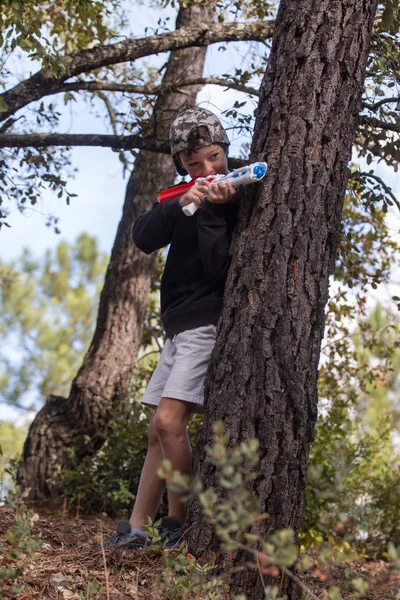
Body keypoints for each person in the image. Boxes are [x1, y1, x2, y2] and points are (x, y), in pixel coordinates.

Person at [104, 107, 239, 550]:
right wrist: (186, 202)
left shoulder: (236, 192)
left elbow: (219, 266)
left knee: (169, 419)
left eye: (215, 157)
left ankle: (176, 524)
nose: (207, 169)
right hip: (178, 324)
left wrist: (213, 211)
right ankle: (137, 529)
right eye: (195, 162)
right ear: (182, 162)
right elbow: (143, 236)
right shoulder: (182, 194)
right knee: (156, 431)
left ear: (225, 151)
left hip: (206, 320)